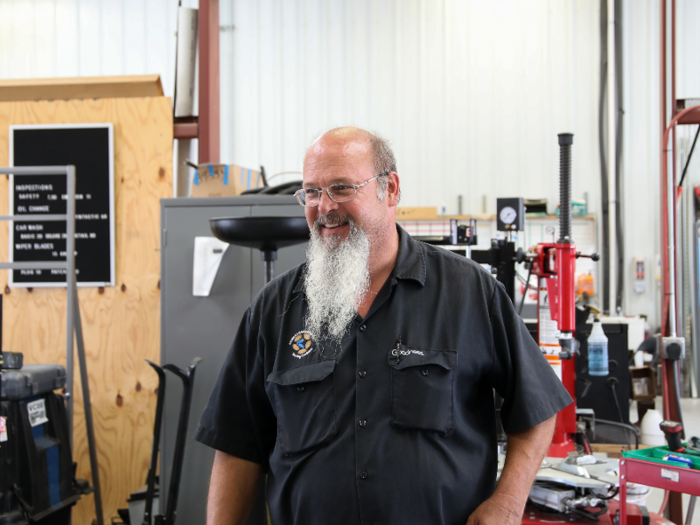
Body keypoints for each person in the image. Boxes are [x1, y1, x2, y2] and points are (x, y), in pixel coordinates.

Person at [195, 127, 573, 525]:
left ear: (390, 190)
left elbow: (537, 407)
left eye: (341, 188)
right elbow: (237, 446)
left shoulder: (469, 293)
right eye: (311, 192)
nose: (323, 207)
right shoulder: (273, 309)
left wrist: (509, 503)